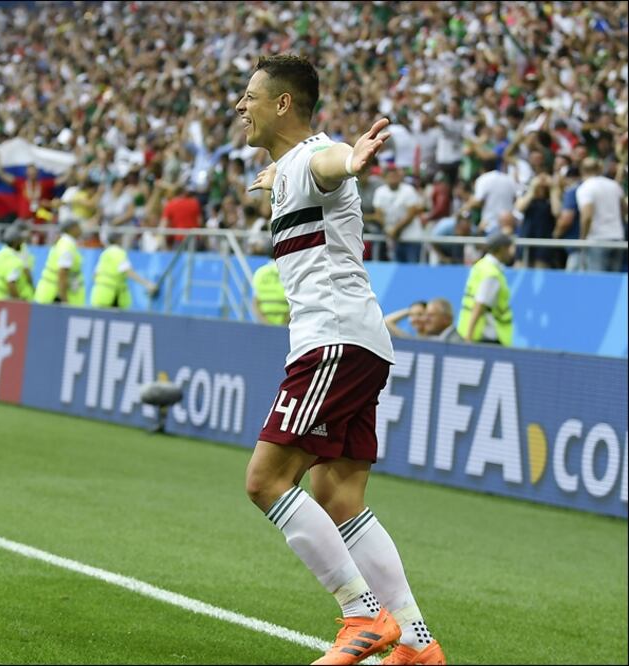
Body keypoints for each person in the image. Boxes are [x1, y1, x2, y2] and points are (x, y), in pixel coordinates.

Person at [236, 54, 444, 665]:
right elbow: (306, 179)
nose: (239, 106)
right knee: (339, 494)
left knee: (266, 481)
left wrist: (350, 159)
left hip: (331, 342)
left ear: (282, 104)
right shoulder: (289, 168)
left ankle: (360, 615)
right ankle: (415, 644)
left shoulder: (315, 158)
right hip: (362, 341)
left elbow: (329, 165)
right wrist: (276, 182)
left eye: (250, 96)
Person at [457, 233, 515, 346]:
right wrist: (468, 337)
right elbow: (480, 305)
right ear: (502, 249)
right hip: (487, 335)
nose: (511, 253)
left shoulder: (481, 265)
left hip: (473, 332)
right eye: (510, 249)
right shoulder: (492, 274)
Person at [576, 157, 627, 272]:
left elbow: (587, 216)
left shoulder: (585, 188)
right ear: (599, 169)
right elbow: (624, 209)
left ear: (582, 170)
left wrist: (582, 239)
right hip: (617, 238)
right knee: (613, 283)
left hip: (597, 240)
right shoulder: (614, 185)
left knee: (597, 282)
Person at [89, 230, 157, 309]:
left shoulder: (104, 253)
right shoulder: (118, 252)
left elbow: (95, 274)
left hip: (99, 295)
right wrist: (147, 284)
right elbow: (128, 271)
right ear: (119, 239)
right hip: (112, 296)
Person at [34, 218, 84, 305]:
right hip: (54, 297)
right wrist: (64, 300)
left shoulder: (65, 242)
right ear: (72, 228)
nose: (81, 229)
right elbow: (62, 274)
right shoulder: (67, 246)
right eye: (78, 227)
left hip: (51, 294)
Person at [0, 223, 33, 300]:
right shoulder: (16, 261)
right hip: (3, 299)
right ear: (16, 242)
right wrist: (18, 302)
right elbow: (11, 283)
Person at [251, 246, 289, 326]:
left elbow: (255, 303)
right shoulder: (288, 272)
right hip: (286, 326)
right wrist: (284, 324)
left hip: (264, 327)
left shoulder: (260, 273)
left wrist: (265, 324)